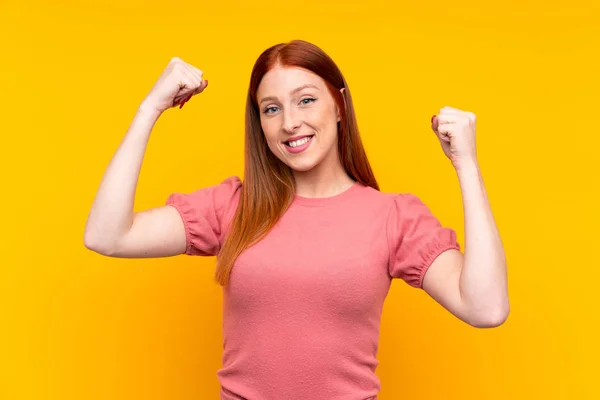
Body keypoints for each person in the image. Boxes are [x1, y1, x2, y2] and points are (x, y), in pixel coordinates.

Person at [84, 40, 509, 400]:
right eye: (271, 109)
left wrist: (465, 164)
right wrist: (150, 107)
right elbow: (108, 236)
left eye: (306, 100)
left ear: (340, 106)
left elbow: (486, 307)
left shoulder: (393, 216)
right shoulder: (235, 206)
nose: (290, 122)